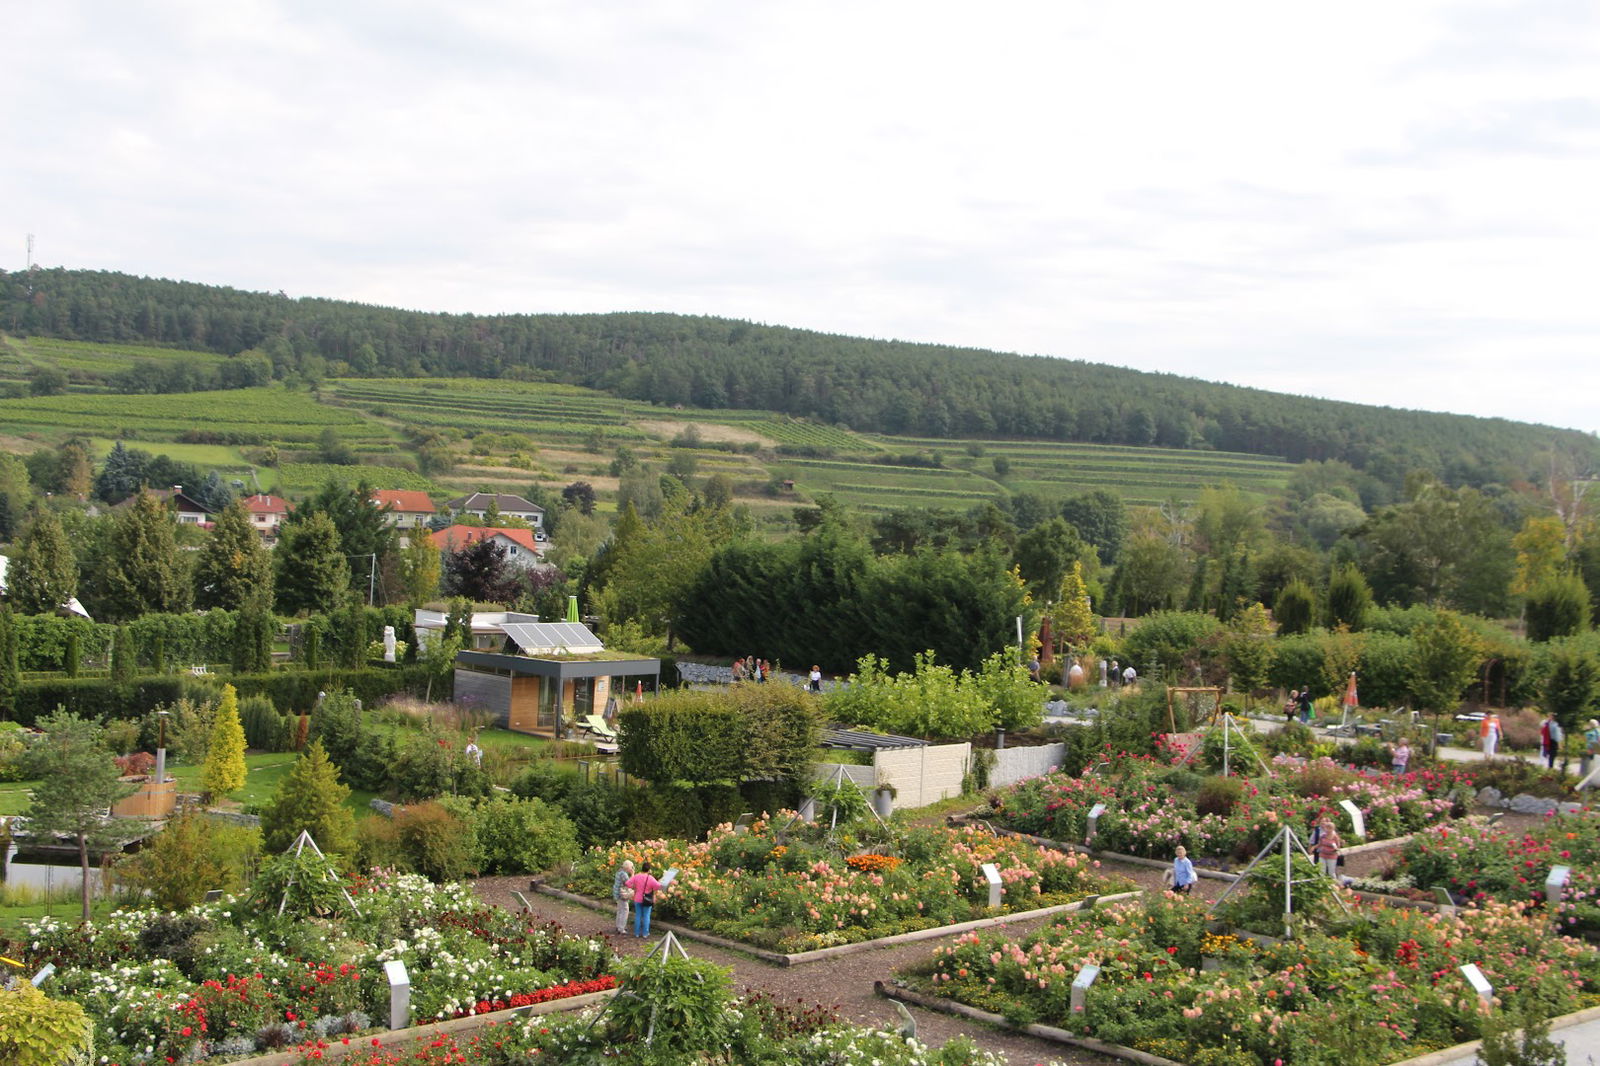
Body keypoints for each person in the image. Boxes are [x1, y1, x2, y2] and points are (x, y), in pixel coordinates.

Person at [624, 861, 663, 938]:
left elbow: (627, 883)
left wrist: (634, 887)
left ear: (642, 868)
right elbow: (658, 886)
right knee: (646, 916)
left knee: (638, 915)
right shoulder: (650, 878)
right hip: (647, 899)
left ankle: (636, 933)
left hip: (637, 898)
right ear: (649, 870)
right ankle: (645, 933)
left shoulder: (637, 876)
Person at [611, 859, 635, 934]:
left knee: (620, 910)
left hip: (617, 893)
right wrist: (633, 874)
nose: (632, 868)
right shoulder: (624, 874)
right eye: (631, 867)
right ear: (628, 868)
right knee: (625, 910)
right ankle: (621, 928)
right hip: (622, 894)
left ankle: (618, 926)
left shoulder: (619, 871)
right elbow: (630, 883)